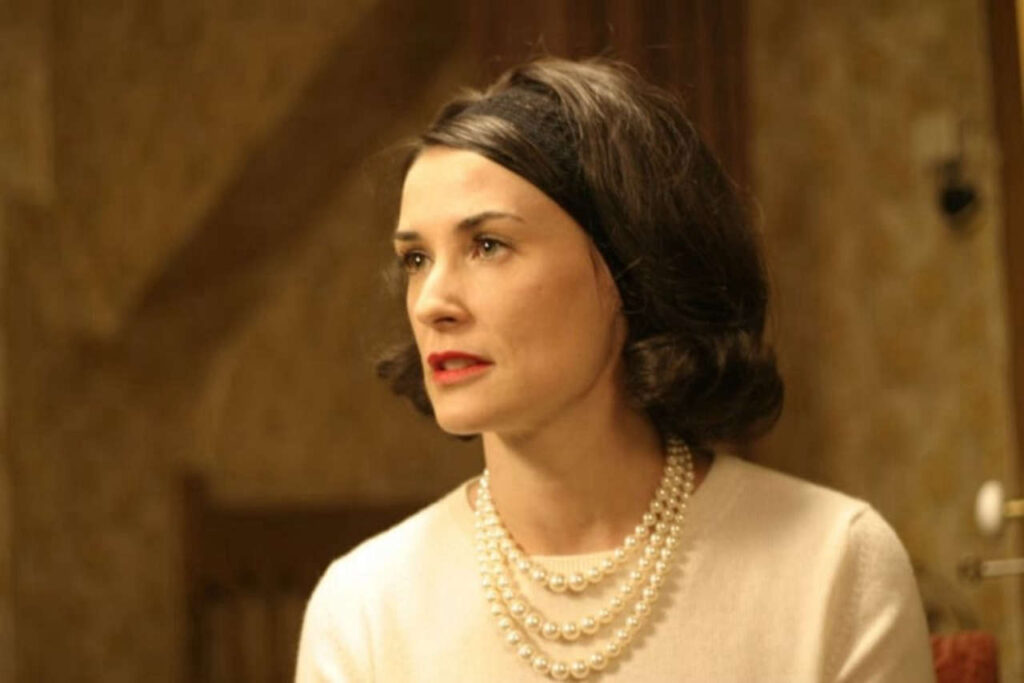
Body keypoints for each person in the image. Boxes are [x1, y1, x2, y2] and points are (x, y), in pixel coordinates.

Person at [295, 56, 935, 682]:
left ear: (631, 266)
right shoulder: (364, 609)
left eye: (488, 245)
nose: (431, 302)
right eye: (416, 259)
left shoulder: (836, 566)